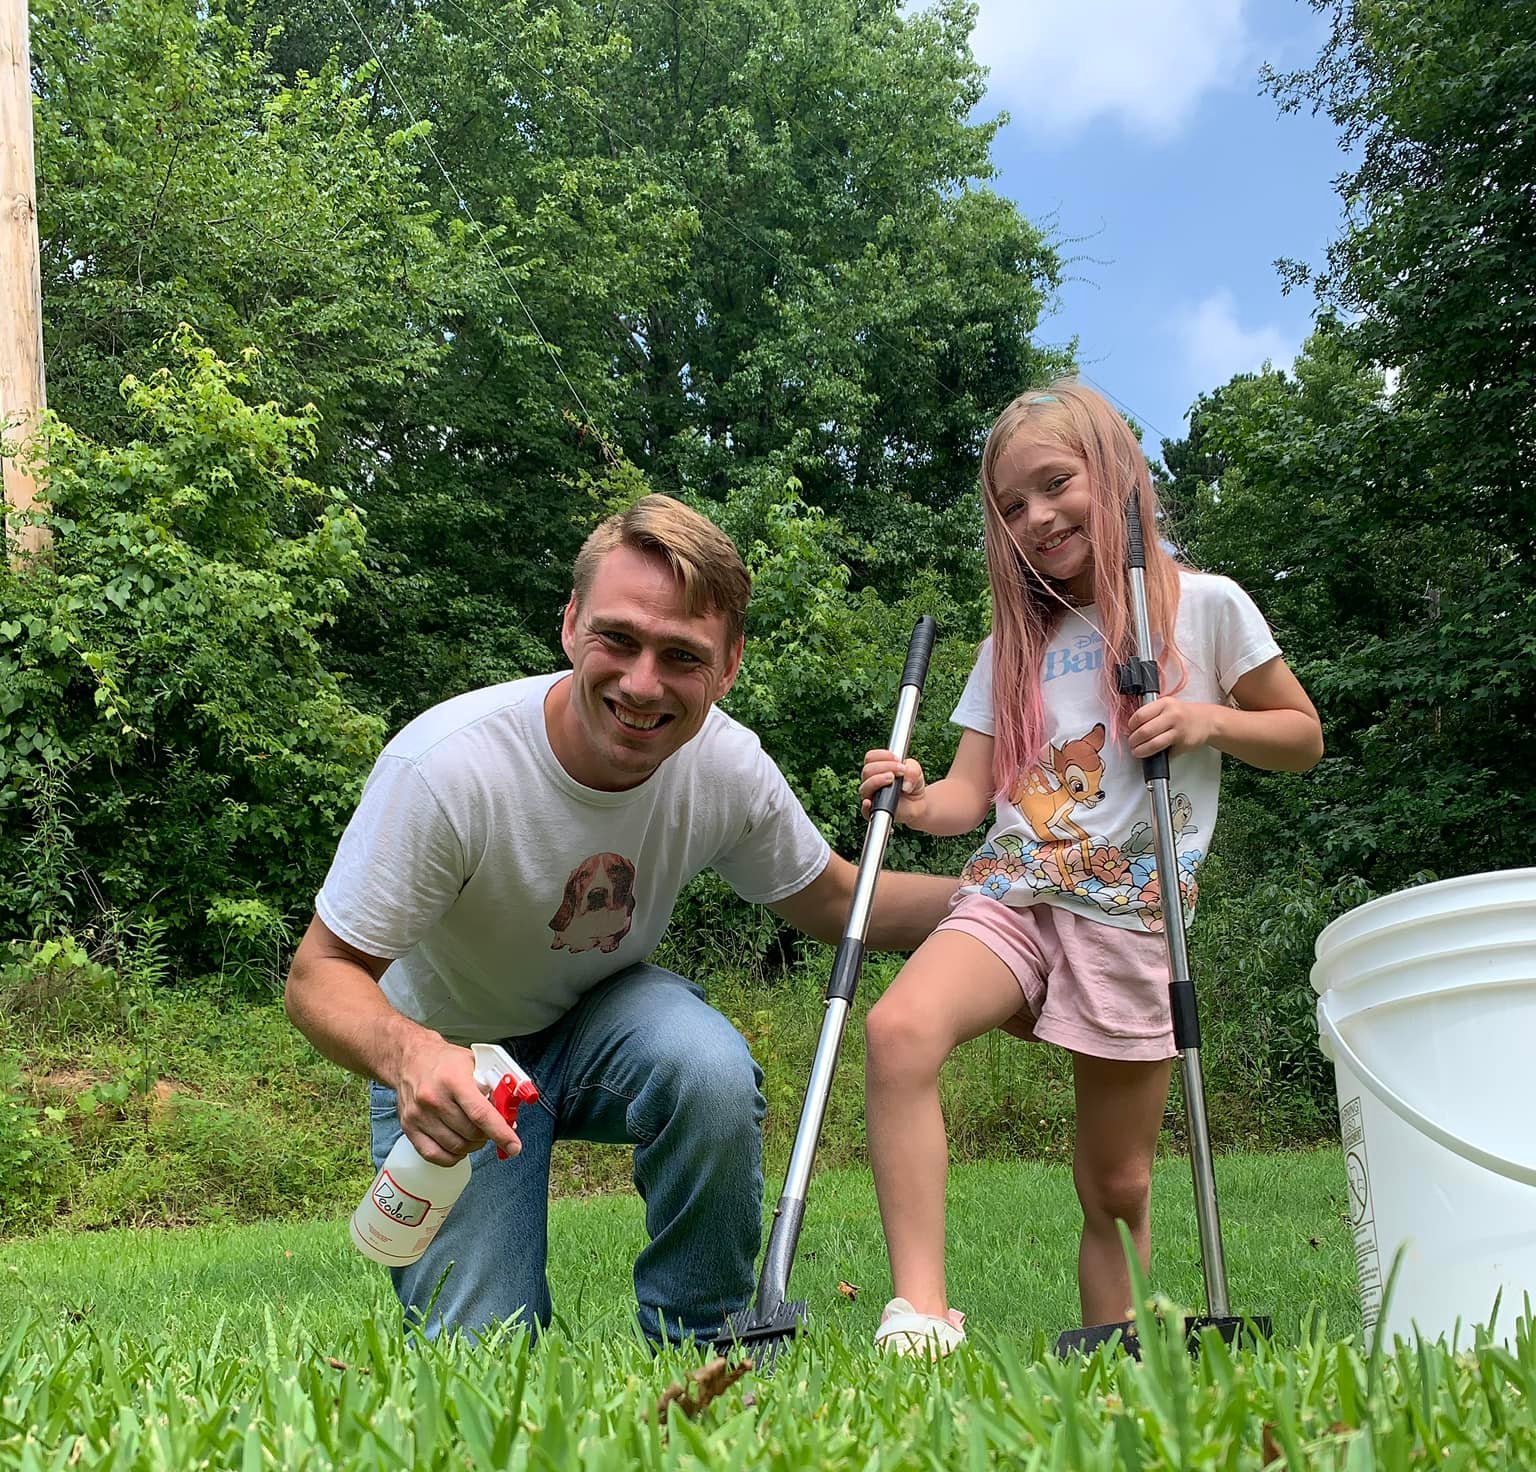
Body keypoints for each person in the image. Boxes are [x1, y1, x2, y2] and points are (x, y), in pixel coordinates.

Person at [285, 494, 954, 1347]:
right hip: (457, 1064)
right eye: (619, 639)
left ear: (729, 665)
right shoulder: (446, 769)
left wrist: (1010, 907)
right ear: (570, 625)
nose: (643, 684)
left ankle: (707, 1347)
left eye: (682, 655)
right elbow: (318, 976)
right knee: (483, 1370)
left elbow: (835, 900)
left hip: (606, 1023)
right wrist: (412, 1055)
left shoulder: (724, 767)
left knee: (707, 1068)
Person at [858, 382, 1324, 1356]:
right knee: (899, 1028)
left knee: (1114, 1184)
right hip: (1013, 892)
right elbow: (965, 797)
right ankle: (921, 1313)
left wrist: (1207, 719)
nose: (1036, 516)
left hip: (1129, 912)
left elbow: (1301, 734)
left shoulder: (1202, 608)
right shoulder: (1012, 646)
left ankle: (1116, 1346)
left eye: (1054, 484)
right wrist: (910, 791)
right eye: (1012, 506)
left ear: (1114, 477)